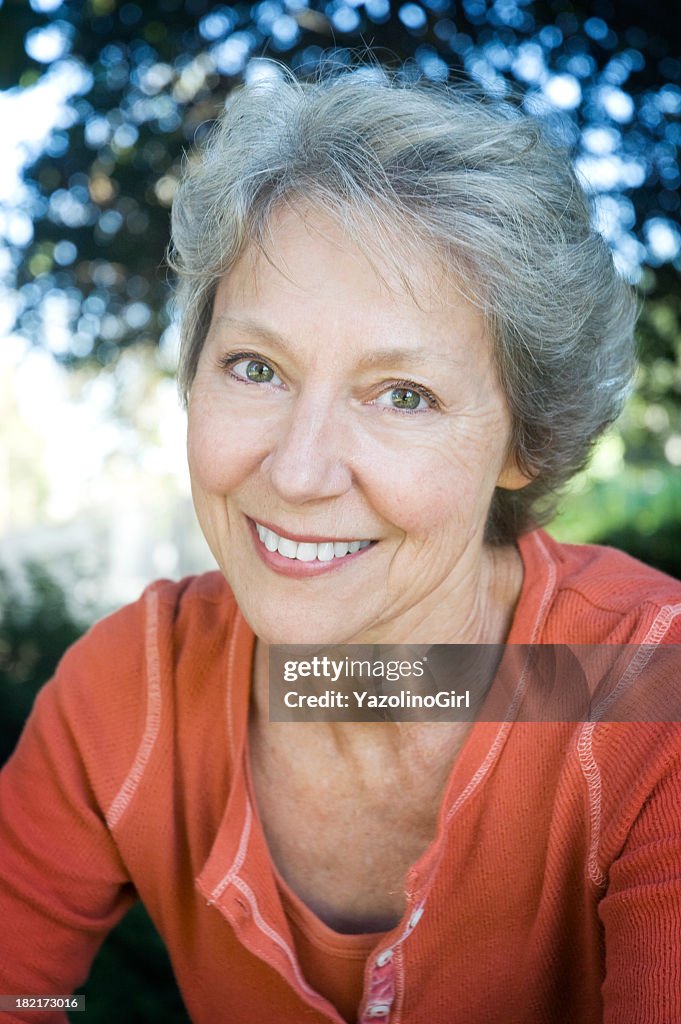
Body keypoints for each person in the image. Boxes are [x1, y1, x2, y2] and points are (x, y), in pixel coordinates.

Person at [1, 71, 680, 1024]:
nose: (299, 470)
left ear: (525, 442)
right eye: (256, 367)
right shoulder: (127, 693)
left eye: (403, 394)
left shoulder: (646, 689)